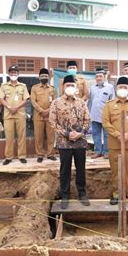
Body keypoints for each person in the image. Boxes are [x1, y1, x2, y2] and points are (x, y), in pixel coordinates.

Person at [49, 74, 91, 209]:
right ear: (63, 87)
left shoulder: (81, 103)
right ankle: (65, 195)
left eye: (72, 85)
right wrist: (67, 133)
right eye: (67, 85)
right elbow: (52, 122)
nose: (70, 88)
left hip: (80, 142)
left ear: (76, 87)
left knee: (81, 169)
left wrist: (80, 133)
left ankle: (82, 193)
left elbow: (87, 120)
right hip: (64, 143)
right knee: (65, 169)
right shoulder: (56, 103)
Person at [102, 76, 128, 205]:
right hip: (115, 144)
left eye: (125, 87)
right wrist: (117, 134)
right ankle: (117, 193)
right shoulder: (109, 105)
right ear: (116, 88)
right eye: (120, 87)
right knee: (116, 170)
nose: (122, 89)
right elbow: (105, 122)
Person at [0, 65, 30, 165]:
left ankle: (22, 156)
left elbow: (26, 99)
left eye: (15, 72)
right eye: (11, 73)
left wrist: (16, 107)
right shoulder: (4, 86)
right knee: (9, 137)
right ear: (9, 74)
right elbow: (1, 99)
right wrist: (9, 107)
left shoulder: (23, 86)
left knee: (21, 136)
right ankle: (8, 157)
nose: (13, 74)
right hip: (8, 115)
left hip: (20, 114)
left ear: (18, 74)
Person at [30, 68, 57, 162]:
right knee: (38, 136)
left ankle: (50, 154)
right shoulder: (34, 88)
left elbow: (55, 101)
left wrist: (48, 110)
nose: (44, 77)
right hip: (38, 116)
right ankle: (40, 154)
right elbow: (33, 101)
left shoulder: (52, 89)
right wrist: (41, 110)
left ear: (49, 77)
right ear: (39, 78)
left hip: (50, 116)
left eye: (46, 76)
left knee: (51, 136)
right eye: (42, 76)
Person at [88, 67, 115, 159]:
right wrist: (88, 113)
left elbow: (112, 102)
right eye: (97, 76)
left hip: (106, 116)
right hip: (94, 115)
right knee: (96, 134)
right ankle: (98, 151)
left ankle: (106, 152)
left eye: (100, 76)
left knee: (107, 135)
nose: (98, 78)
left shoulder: (110, 87)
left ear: (104, 77)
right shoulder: (92, 88)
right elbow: (90, 102)